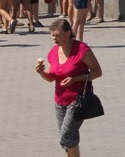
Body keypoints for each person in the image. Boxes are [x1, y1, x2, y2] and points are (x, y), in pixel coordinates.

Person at [35, 19, 103, 157]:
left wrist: (75, 79)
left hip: (77, 100)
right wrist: (41, 72)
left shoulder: (82, 49)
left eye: (57, 35)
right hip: (59, 101)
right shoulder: (53, 52)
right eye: (52, 35)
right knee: (68, 139)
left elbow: (97, 72)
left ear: (68, 33)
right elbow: (51, 78)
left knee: (66, 136)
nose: (54, 38)